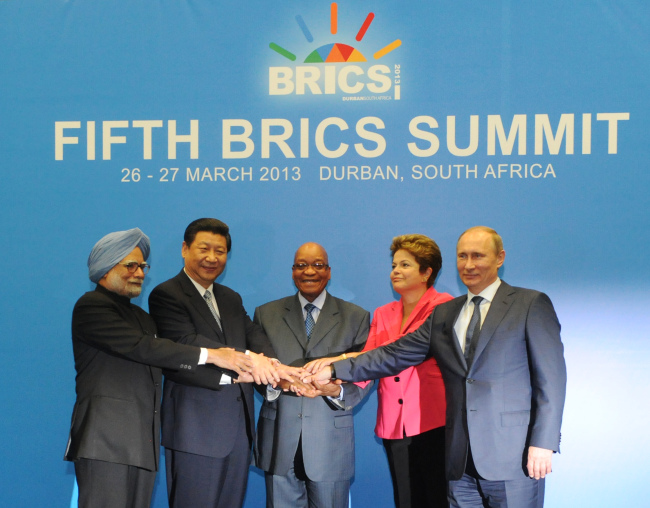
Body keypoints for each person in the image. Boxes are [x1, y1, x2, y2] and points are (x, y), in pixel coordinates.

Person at [305, 227, 567, 508]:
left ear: (500, 258)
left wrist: (543, 442)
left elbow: (551, 379)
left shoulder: (530, 304)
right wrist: (334, 369)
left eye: (478, 256)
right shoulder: (446, 313)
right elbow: (393, 354)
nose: (468, 264)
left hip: (512, 456)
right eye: (462, 256)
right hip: (458, 460)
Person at [65, 228, 257, 508]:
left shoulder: (140, 315)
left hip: (141, 442)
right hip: (105, 443)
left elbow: (167, 355)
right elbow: (146, 348)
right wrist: (213, 355)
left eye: (143, 266)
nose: (140, 273)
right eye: (130, 265)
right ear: (105, 267)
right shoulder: (92, 306)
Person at [148, 218, 295, 508]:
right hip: (195, 432)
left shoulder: (230, 297)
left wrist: (273, 366)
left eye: (221, 251)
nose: (212, 258)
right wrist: (253, 362)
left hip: (238, 433)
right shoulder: (167, 295)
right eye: (204, 248)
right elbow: (185, 342)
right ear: (184, 249)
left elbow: (254, 335)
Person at [307, 234, 453, 507]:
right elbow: (368, 365)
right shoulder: (384, 312)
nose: (395, 271)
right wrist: (336, 388)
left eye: (405, 265)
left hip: (434, 422)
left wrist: (339, 360)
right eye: (394, 265)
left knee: (437, 498)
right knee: (405, 499)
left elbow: (396, 351)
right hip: (393, 424)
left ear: (427, 272)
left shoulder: (444, 306)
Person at [253, 242, 372, 508]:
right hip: (279, 440)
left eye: (318, 265)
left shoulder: (356, 317)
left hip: (330, 444)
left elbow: (365, 372)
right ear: (293, 271)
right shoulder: (266, 314)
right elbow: (258, 369)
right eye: (301, 265)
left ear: (329, 272)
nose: (309, 271)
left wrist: (337, 390)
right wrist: (277, 384)